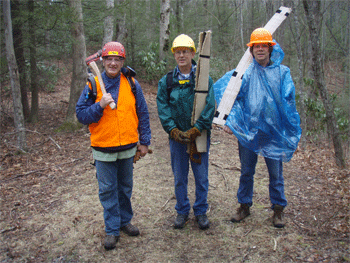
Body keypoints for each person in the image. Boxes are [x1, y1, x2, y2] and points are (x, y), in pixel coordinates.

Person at [215, 28, 302, 228]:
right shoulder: (242, 73)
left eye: (264, 45)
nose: (260, 49)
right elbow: (225, 94)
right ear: (251, 50)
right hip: (248, 132)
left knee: (276, 174)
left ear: (271, 49)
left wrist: (290, 131)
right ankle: (244, 206)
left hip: (274, 132)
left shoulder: (282, 73)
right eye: (257, 46)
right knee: (246, 171)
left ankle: (278, 210)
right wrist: (230, 121)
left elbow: (289, 103)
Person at [76, 42, 151, 250]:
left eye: (117, 59)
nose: (112, 62)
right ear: (102, 60)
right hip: (103, 149)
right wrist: (99, 105)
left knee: (125, 188)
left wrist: (144, 141)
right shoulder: (93, 84)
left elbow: (143, 113)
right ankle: (111, 229)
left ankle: (125, 221)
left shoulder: (132, 83)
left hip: (127, 147)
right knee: (108, 190)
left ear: (122, 61)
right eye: (109, 58)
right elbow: (81, 115)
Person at [156, 34, 215, 230]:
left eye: (185, 51)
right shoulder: (167, 81)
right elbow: (162, 106)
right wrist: (172, 130)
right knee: (180, 176)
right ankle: (182, 211)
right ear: (174, 55)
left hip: (199, 137)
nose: (182, 55)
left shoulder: (203, 78)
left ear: (192, 53)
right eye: (178, 52)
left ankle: (200, 211)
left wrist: (198, 128)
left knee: (201, 175)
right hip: (177, 139)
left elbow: (210, 105)